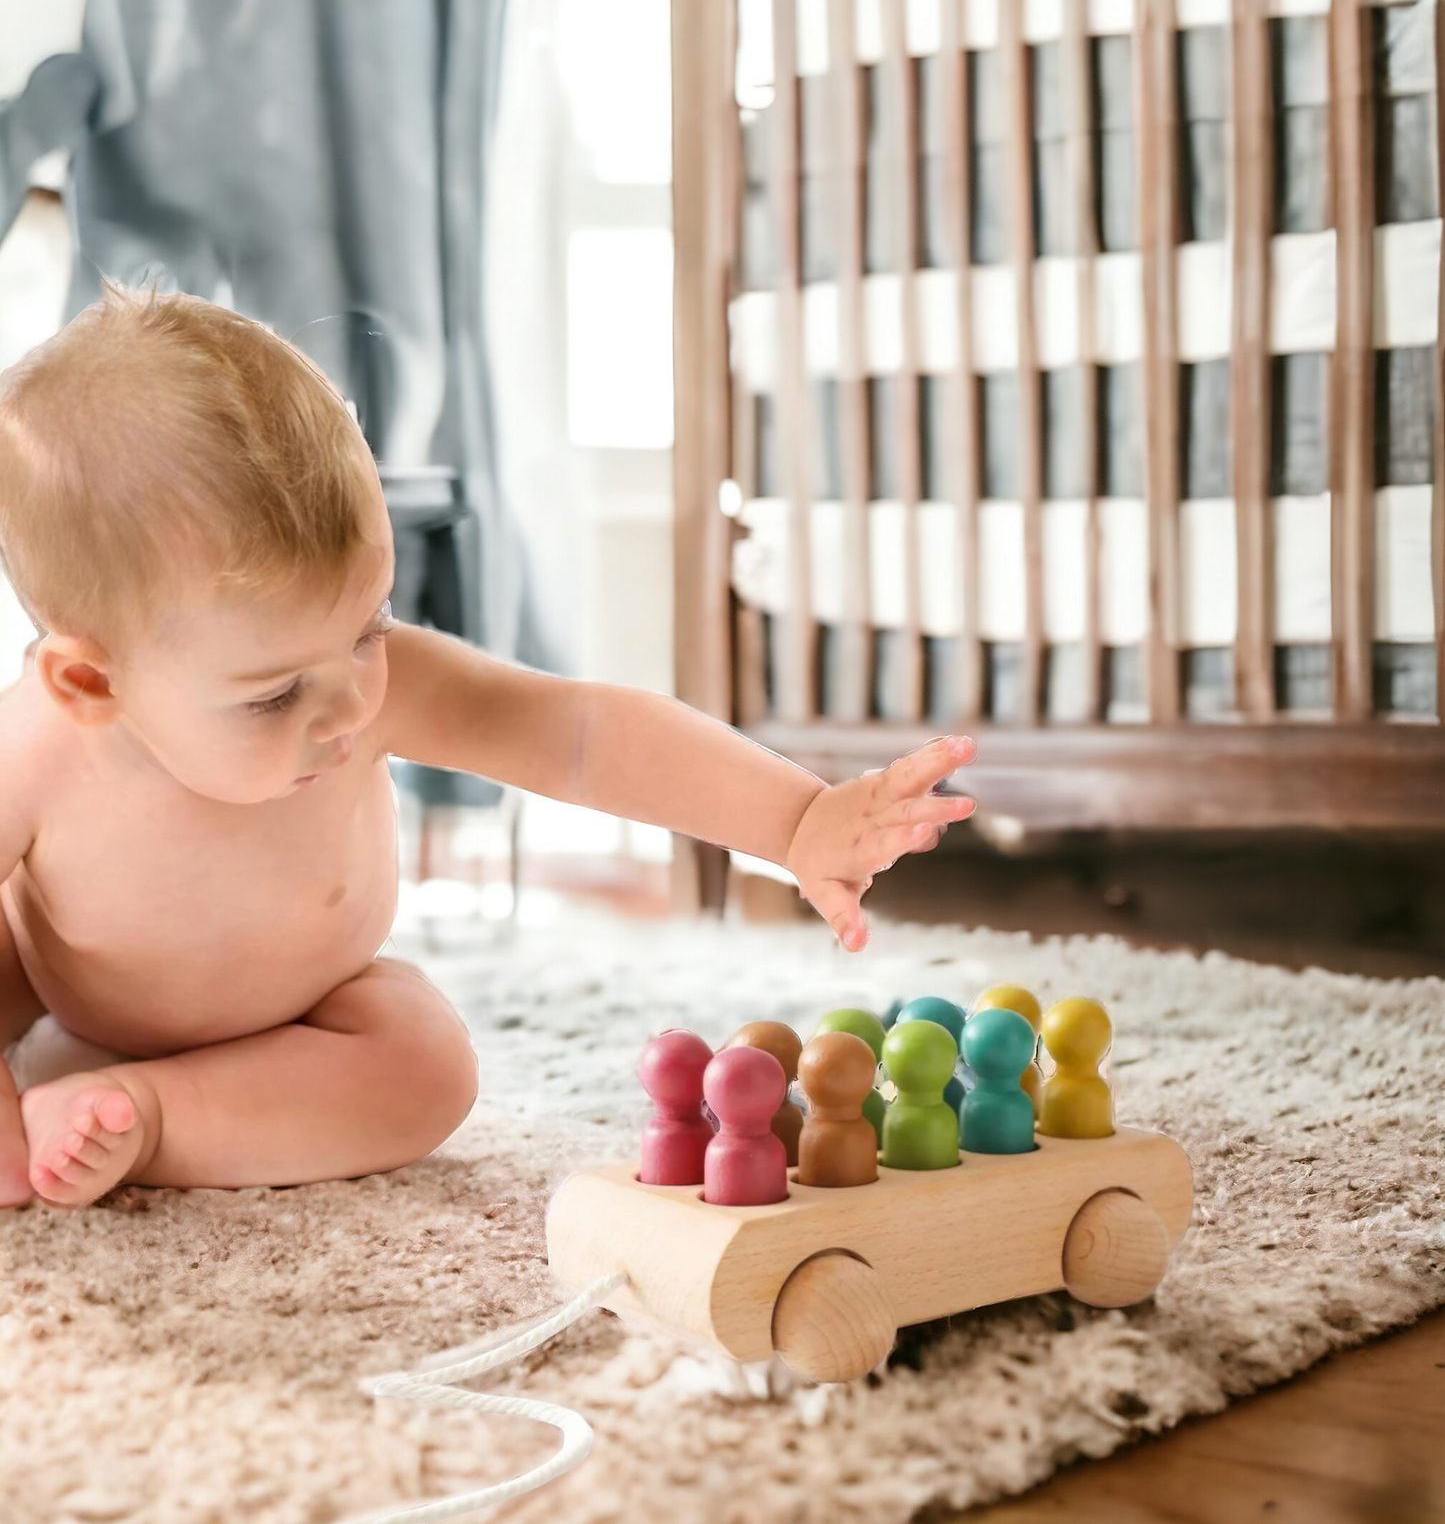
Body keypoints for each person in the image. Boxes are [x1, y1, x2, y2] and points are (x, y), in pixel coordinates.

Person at [0, 290, 975, 1208]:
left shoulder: (368, 686)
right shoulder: (35, 751)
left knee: (425, 1066)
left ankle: (156, 1115)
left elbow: (579, 735)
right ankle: (59, 1092)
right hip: (66, 996)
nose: (347, 705)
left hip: (313, 1011)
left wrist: (796, 819)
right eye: (274, 694)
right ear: (93, 683)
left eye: (369, 628)